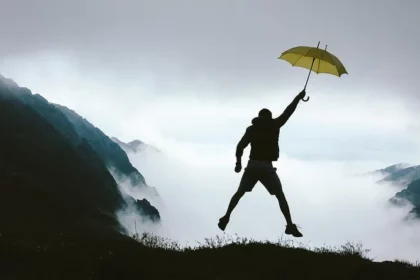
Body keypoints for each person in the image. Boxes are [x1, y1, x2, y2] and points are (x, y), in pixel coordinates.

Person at [218, 89, 307, 237]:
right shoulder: (274, 125)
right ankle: (290, 225)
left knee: (239, 193)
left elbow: (240, 146)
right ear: (269, 117)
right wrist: (298, 98)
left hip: (252, 165)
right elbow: (288, 112)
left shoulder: (252, 129)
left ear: (259, 117)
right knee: (280, 195)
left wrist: (238, 163)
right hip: (266, 167)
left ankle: (226, 217)